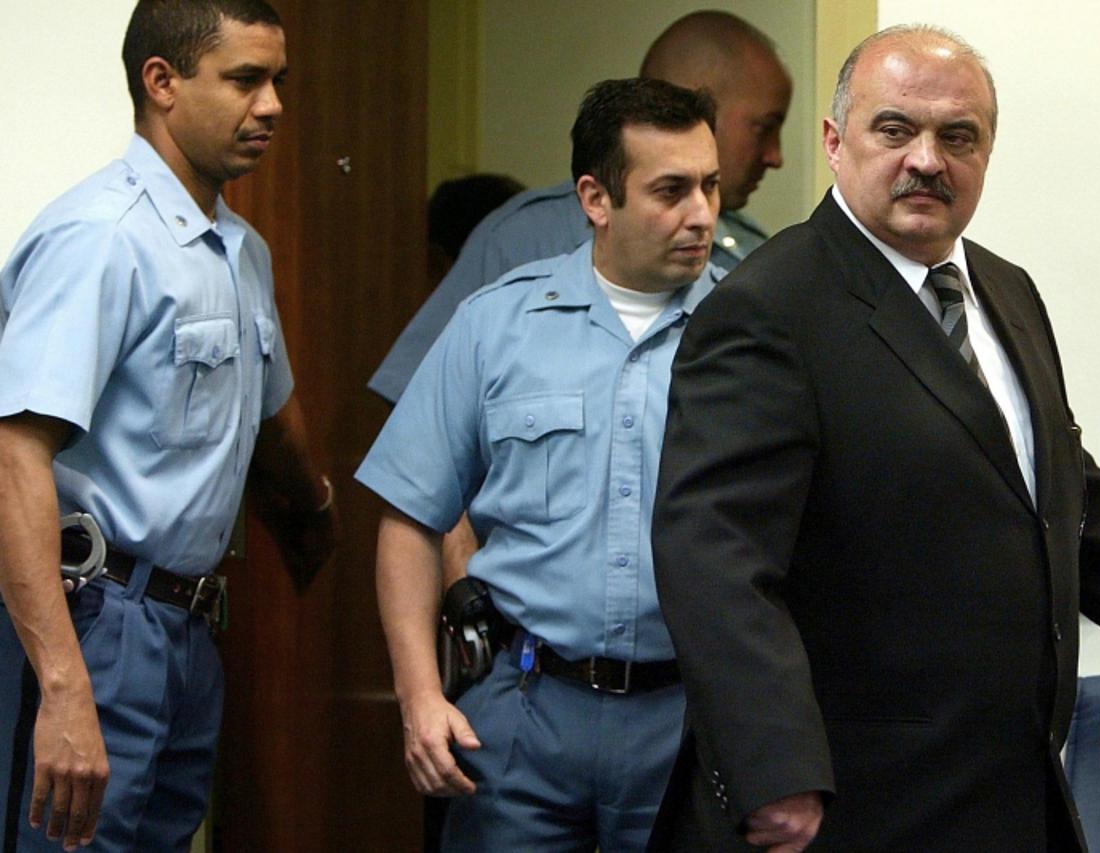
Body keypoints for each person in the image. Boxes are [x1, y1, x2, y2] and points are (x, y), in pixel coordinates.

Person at [648, 24, 1100, 852]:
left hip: (1007, 786)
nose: (927, 159)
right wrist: (772, 766)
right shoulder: (770, 307)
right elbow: (715, 560)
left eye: (959, 136)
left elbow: (1054, 484)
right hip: (851, 801)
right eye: (895, 129)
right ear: (835, 142)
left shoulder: (1006, 290)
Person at [0, 2, 335, 850]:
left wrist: (314, 511)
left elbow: (269, 424)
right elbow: (12, 456)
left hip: (184, 628)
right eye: (246, 79)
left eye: (277, 82)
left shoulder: (240, 252)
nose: (273, 106)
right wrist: (66, 689)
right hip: (95, 621)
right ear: (162, 83)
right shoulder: (101, 238)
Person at [356, 77, 721, 851]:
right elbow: (409, 516)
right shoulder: (496, 324)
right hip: (524, 711)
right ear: (596, 198)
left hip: (686, 720)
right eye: (671, 190)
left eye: (710, 185)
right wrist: (419, 694)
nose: (703, 213)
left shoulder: (747, 336)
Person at [367, 9, 791, 405]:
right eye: (764, 127)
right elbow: (419, 409)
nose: (775, 156)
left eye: (709, 187)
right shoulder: (523, 239)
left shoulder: (754, 258)